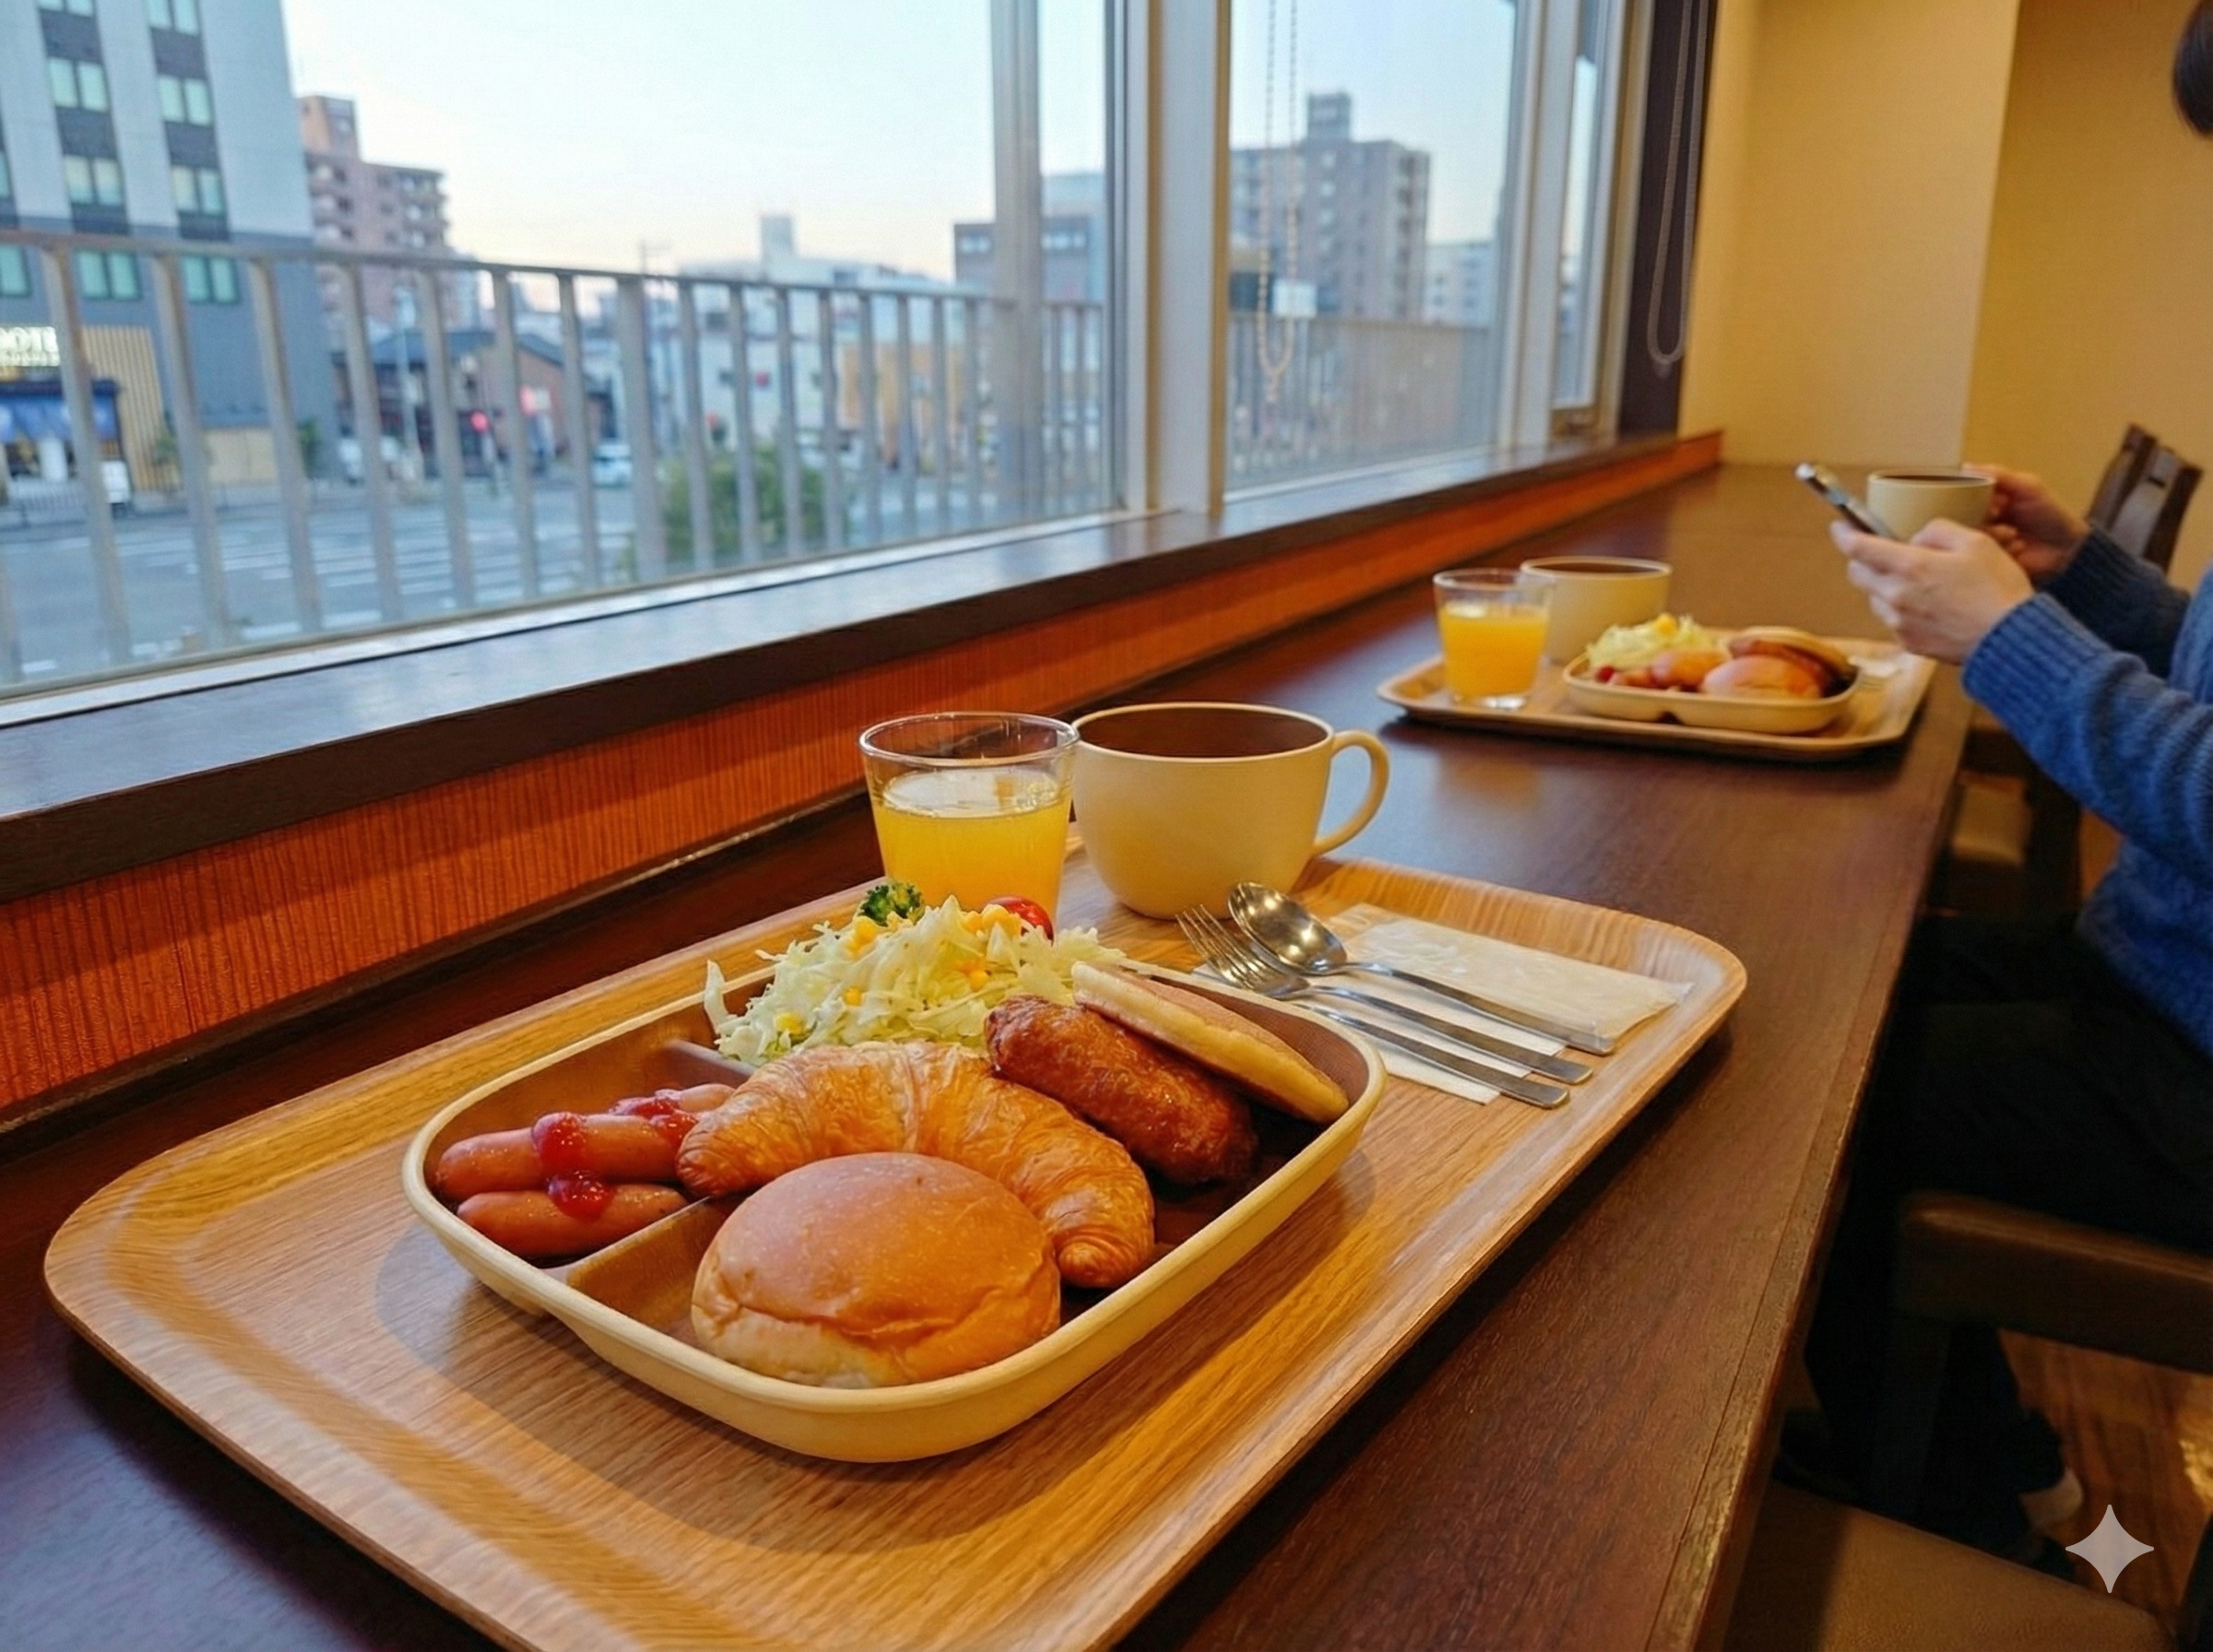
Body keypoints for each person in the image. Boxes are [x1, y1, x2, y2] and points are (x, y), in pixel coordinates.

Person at [1800, 2, 2213, 1573]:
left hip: (2193, 1065)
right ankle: (2002, 1459)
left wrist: (2014, 642)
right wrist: (2097, 583)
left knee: (1814, 1104)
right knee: (1829, 992)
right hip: (2162, 973)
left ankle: (1976, 1512)